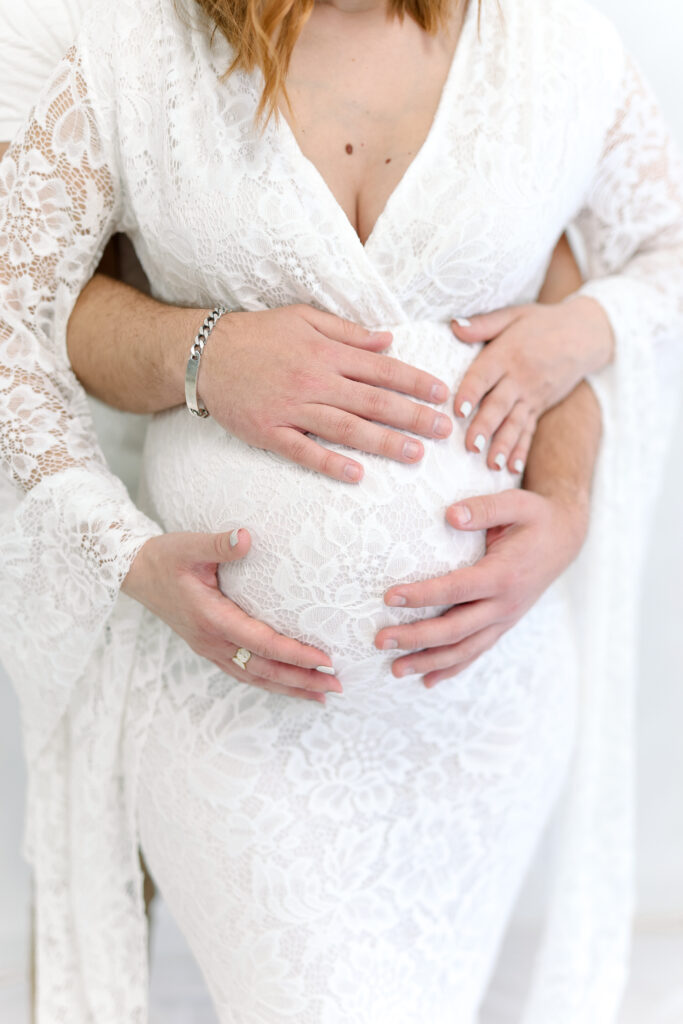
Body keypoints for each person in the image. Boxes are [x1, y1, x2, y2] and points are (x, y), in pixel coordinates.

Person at [0, 1, 681, 1022]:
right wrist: (129, 540)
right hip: (237, 712)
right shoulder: (136, 51)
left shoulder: (551, 46)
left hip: (485, 711)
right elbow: (20, 314)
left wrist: (574, 345)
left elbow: (654, 250)